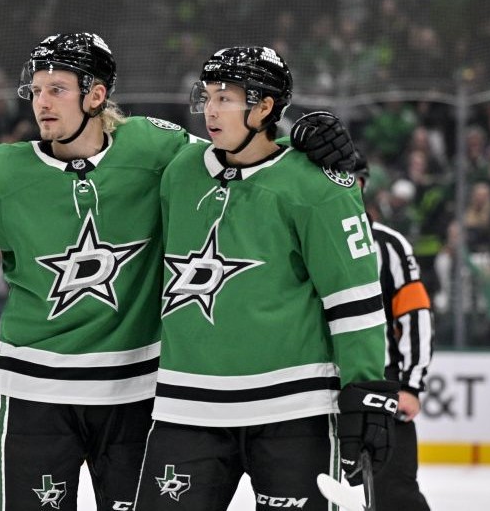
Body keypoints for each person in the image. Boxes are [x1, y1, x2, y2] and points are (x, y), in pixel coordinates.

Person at [0, 33, 357, 511]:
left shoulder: (155, 149)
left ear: (95, 96)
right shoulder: (0, 174)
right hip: (32, 394)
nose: (41, 102)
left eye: (57, 89)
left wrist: (307, 140)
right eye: (36, 89)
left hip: (135, 395)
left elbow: (241, 151)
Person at [134, 46, 396, 510]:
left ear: (264, 107)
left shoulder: (317, 186)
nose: (211, 110)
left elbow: (353, 300)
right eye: (207, 96)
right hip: (186, 406)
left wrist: (365, 391)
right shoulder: (180, 173)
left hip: (294, 412)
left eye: (225, 98)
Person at [369, 219, 434, 511]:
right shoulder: (298, 231)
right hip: (311, 381)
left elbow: (415, 313)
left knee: (395, 492)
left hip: (379, 380)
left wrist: (410, 385)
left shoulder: (387, 244)